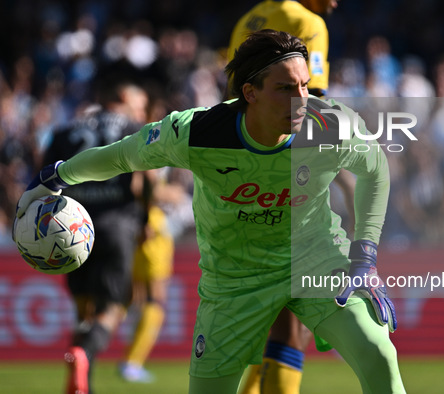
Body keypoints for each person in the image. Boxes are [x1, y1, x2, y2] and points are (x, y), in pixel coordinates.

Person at [17, 30, 404, 394]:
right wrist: (56, 176)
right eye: (285, 88)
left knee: (379, 353)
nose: (302, 98)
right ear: (249, 93)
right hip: (234, 281)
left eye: (304, 85)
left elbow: (376, 168)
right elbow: (122, 156)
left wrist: (365, 253)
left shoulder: (330, 125)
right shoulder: (196, 133)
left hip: (316, 260)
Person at [229, 5, 350, 391]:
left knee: (268, 315)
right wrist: (347, 179)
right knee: (290, 321)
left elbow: (231, 100)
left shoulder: (250, 19)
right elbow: (308, 107)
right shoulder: (308, 23)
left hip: (238, 172)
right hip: (285, 177)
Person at [40, 79, 149, 394]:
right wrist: (143, 219)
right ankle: (83, 354)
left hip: (71, 231)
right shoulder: (132, 127)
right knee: (113, 307)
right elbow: (141, 181)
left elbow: (44, 178)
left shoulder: (64, 131)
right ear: (123, 96)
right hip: (117, 225)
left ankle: (78, 384)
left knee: (83, 314)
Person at [118, 169, 176, 383]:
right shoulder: (149, 144)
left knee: (135, 298)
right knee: (155, 299)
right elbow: (140, 186)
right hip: (150, 226)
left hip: (143, 224)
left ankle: (94, 343)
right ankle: (132, 363)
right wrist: (172, 193)